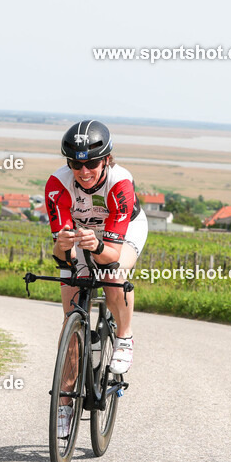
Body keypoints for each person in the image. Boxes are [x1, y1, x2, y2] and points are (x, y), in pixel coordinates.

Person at [45, 120, 147, 437]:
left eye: (91, 162)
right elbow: (64, 256)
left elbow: (112, 254)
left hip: (122, 234)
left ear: (106, 159)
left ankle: (125, 336)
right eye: (76, 163)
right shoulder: (56, 186)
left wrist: (99, 245)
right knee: (70, 319)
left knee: (113, 275)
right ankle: (64, 404)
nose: (84, 170)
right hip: (81, 236)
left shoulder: (120, 183)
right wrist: (64, 250)